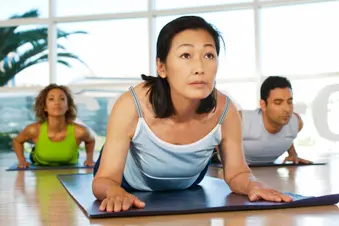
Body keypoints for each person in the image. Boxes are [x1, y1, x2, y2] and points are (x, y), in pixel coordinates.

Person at [92, 15, 293, 213]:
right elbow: (104, 179)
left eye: (209, 56)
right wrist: (113, 190)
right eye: (186, 55)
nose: (200, 68)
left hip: (187, 180)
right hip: (128, 178)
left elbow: (237, 173)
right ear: (162, 67)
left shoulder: (225, 111)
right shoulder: (132, 105)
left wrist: (253, 185)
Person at [12, 84, 95, 168]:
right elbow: (17, 141)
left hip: (70, 173)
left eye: (62, 99)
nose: (57, 103)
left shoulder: (80, 131)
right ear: (44, 107)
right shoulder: (33, 130)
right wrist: (22, 160)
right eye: (51, 99)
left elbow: (90, 141)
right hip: (40, 170)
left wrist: (89, 159)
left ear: (68, 106)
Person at [239, 76, 312, 165]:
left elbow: (287, 136)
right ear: (263, 105)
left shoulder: (296, 123)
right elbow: (220, 137)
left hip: (268, 170)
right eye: (278, 102)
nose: (287, 109)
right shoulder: (240, 120)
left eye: (289, 102)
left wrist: (293, 154)